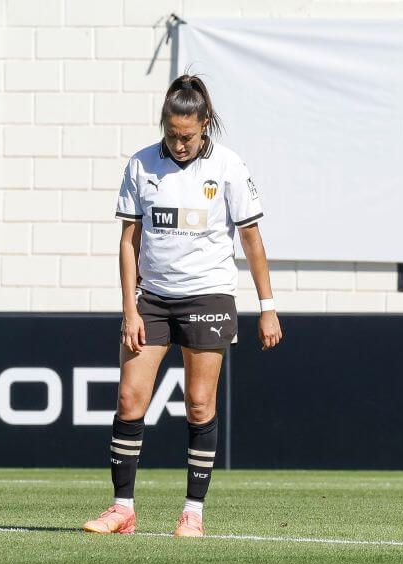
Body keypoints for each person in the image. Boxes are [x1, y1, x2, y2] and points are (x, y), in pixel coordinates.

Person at [84, 74, 283, 537]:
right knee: (130, 400)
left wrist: (267, 306)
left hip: (209, 296)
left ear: (205, 123)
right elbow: (128, 242)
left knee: (198, 404)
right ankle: (121, 509)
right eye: (171, 134)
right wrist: (130, 309)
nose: (178, 143)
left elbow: (252, 240)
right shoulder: (140, 165)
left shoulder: (230, 167)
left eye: (188, 135)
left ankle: (193, 512)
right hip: (151, 300)